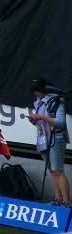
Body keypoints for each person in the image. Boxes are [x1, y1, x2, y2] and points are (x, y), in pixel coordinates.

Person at [28, 78, 70, 206]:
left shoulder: (56, 101)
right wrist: (34, 120)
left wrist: (41, 117)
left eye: (37, 91)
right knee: (52, 171)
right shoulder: (38, 103)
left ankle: (66, 201)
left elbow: (60, 122)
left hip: (56, 138)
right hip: (44, 138)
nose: (35, 94)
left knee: (58, 169)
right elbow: (42, 122)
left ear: (42, 90)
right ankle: (58, 199)